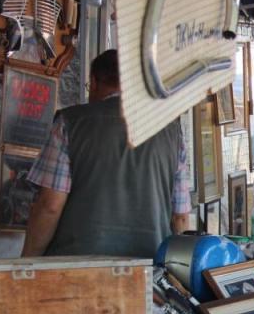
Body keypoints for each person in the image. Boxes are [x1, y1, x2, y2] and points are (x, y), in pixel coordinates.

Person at [21, 50, 191, 258]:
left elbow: (50, 206)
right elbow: (180, 217)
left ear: (93, 82)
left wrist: (27, 262)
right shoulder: (172, 131)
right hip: (147, 272)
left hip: (78, 269)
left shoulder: (69, 123)